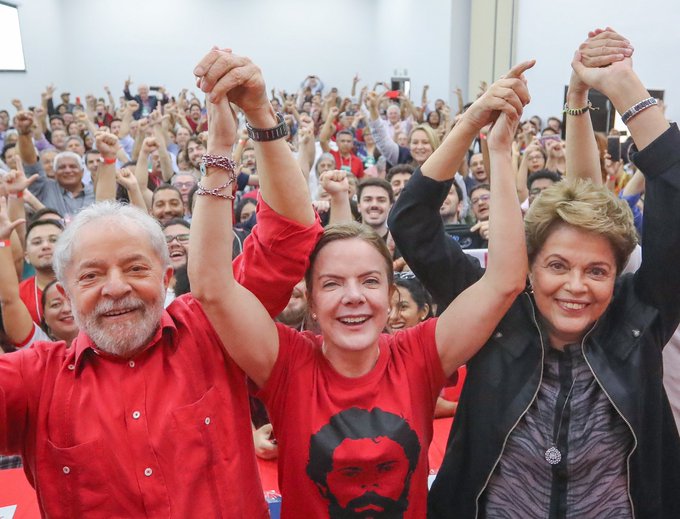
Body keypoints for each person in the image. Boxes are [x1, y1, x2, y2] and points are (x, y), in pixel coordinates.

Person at [190, 48, 532, 518]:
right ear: (310, 300)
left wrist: (488, 140)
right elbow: (211, 287)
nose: (353, 296)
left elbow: (506, 281)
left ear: (391, 299)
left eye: (370, 281)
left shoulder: (418, 357)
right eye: (332, 283)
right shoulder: (285, 363)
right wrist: (221, 151)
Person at [0, 49, 322, 517]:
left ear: (167, 277)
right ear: (64, 295)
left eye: (135, 269)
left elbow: (290, 234)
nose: (115, 288)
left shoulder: (213, 328)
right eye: (91, 275)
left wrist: (259, 115)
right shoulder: (33, 381)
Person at [392, 29, 680, 518]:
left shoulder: (640, 317)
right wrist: (471, 125)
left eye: (596, 271)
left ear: (618, 275)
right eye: (556, 266)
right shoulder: (496, 314)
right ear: (527, 267)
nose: (575, 286)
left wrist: (625, 87)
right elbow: (412, 224)